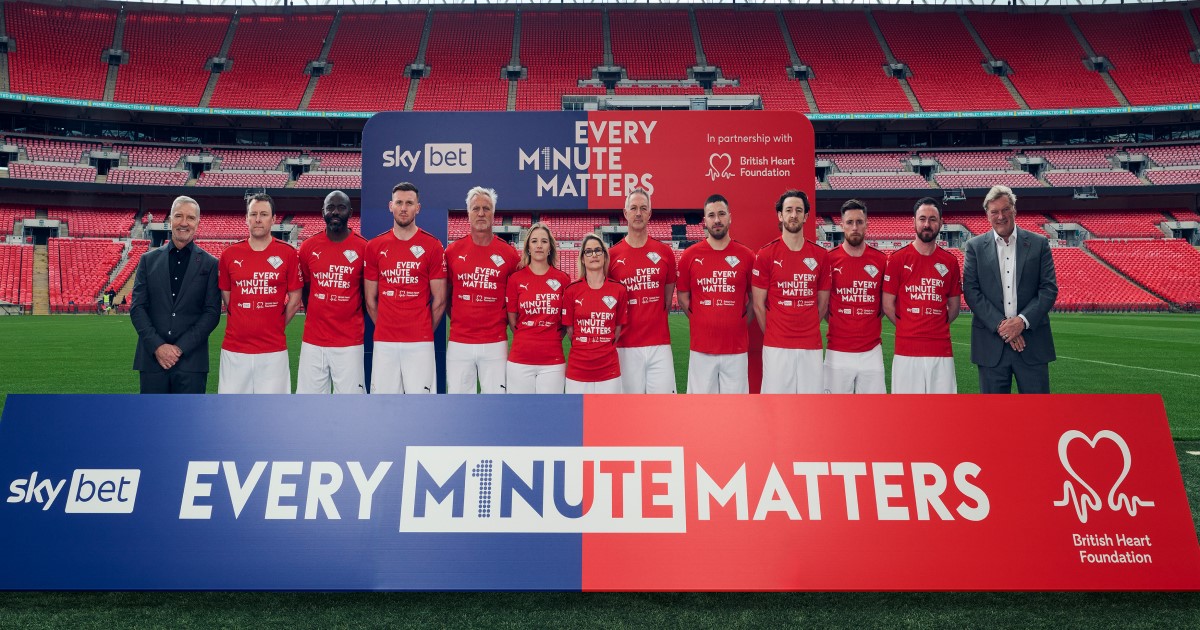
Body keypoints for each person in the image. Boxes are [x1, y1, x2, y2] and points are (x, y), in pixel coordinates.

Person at [963, 185, 1058, 393]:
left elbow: (1048, 289)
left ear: (1014, 209)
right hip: (991, 347)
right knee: (994, 412)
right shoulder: (974, 247)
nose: (1001, 216)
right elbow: (971, 290)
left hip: (1032, 344)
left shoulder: (1039, 243)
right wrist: (1003, 326)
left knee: (1037, 411)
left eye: (1005, 209)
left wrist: (1021, 322)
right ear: (987, 215)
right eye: (994, 212)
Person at [130, 195, 221, 393]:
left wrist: (179, 349)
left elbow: (212, 313)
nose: (184, 223)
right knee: (153, 414)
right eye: (179, 216)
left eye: (190, 217)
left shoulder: (211, 264)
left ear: (198, 222)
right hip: (152, 361)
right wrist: (158, 347)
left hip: (192, 364)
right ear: (170, 220)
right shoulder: (147, 260)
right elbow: (137, 308)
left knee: (189, 415)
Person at [364, 182, 446, 394]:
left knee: (422, 405)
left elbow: (440, 300)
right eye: (399, 202)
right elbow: (370, 300)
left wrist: (422, 329)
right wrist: (387, 326)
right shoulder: (374, 246)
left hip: (420, 343)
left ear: (418, 208)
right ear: (390, 206)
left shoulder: (432, 245)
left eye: (409, 203)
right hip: (384, 343)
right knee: (383, 405)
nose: (403, 208)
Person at [217, 193, 303, 394]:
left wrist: (275, 324)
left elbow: (295, 298)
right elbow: (228, 297)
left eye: (264, 214)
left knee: (273, 409)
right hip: (235, 350)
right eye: (253, 214)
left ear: (273, 219)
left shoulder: (288, 253)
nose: (258, 219)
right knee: (232, 408)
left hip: (273, 350)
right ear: (246, 218)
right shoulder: (229, 254)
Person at [752, 189, 830, 394]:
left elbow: (822, 304)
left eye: (798, 210)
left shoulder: (821, 255)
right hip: (776, 346)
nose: (793, 215)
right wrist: (775, 332)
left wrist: (807, 327)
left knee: (810, 405)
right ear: (780, 215)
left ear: (806, 216)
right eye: (788, 210)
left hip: (811, 345)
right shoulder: (766, 254)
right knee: (775, 405)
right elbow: (758, 305)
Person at [677, 194, 756, 394]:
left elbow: (754, 299)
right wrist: (701, 320)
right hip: (701, 349)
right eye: (711, 215)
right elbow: (683, 298)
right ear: (705, 220)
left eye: (721, 214)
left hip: (736, 349)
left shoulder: (747, 256)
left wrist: (739, 323)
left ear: (730, 217)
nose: (717, 220)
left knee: (736, 408)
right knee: (701, 408)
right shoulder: (689, 256)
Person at [444, 186, 520, 393]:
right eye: (475, 208)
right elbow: (446, 297)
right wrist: (462, 318)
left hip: (495, 342)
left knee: (496, 401)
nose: (481, 213)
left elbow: (516, 297)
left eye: (486, 208)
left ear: (494, 214)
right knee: (459, 402)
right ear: (468, 213)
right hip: (459, 342)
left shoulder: (509, 254)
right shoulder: (452, 252)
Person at [883, 197, 962, 394]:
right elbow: (888, 304)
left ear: (941, 223)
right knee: (907, 410)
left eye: (933, 219)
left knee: (942, 409)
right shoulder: (898, 259)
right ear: (914, 222)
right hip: (906, 350)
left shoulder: (950, 261)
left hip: (941, 350)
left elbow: (954, 306)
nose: (927, 224)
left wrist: (935, 326)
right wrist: (908, 326)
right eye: (922, 219)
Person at [296, 190, 368, 394]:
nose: (335, 212)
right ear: (323, 212)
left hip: (349, 341)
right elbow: (306, 289)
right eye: (330, 207)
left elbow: (366, 294)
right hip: (313, 340)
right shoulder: (308, 247)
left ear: (350, 212)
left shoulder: (364, 247)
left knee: (351, 402)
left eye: (341, 207)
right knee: (309, 402)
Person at [608, 188, 678, 394]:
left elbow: (666, 299)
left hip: (659, 345)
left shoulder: (665, 253)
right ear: (625, 213)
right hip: (625, 346)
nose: (638, 213)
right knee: (628, 408)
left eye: (643, 208)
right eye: (633, 208)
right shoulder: (612, 256)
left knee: (664, 408)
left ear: (649, 213)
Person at [823, 199, 888, 394]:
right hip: (837, 350)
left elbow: (884, 304)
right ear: (841, 225)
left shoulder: (881, 260)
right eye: (850, 222)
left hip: (871, 351)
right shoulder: (829, 259)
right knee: (834, 409)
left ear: (867, 224)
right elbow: (823, 304)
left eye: (859, 222)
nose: (855, 227)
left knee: (873, 410)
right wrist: (839, 321)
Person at [506, 222, 570, 393]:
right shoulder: (515, 279)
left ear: (550, 247)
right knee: (520, 408)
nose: (539, 245)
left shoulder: (563, 279)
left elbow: (566, 320)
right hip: (520, 359)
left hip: (553, 360)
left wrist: (551, 338)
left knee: (550, 408)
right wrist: (527, 337)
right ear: (528, 247)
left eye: (544, 241)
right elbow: (512, 319)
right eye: (534, 241)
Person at [562, 234, 628, 393]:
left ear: (605, 256)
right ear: (582, 259)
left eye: (598, 250)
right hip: (578, 369)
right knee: (577, 410)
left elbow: (617, 329)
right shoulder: (571, 291)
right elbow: (570, 331)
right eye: (588, 251)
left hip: (609, 369)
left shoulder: (619, 290)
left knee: (609, 410)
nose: (594, 255)